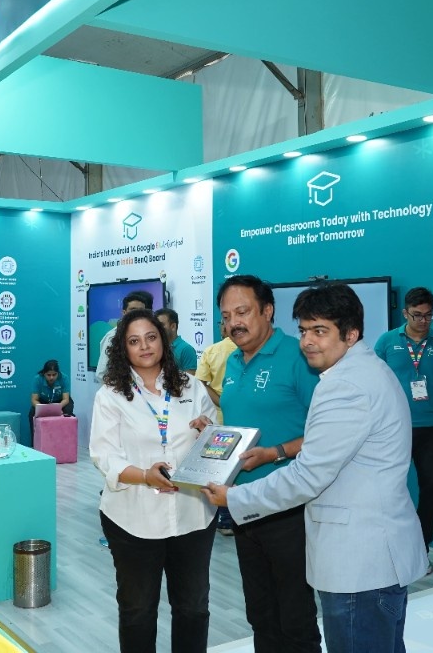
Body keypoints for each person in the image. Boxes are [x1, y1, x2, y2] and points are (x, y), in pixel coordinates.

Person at [204, 283, 427, 653]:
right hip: (371, 558)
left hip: (360, 564)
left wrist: (236, 498)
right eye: (304, 330)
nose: (307, 341)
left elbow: (308, 474)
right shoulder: (363, 371)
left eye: (320, 331)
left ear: (351, 334)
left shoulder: (346, 387)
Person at [90, 308, 218, 653]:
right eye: (134, 341)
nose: (144, 346)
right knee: (138, 611)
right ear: (123, 349)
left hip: (192, 516)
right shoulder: (111, 395)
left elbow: (213, 446)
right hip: (133, 519)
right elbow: (105, 456)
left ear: (163, 340)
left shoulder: (191, 387)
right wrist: (146, 476)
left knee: (193, 608)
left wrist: (209, 434)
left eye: (151, 337)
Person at [216, 274, 321, 653]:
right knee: (259, 612)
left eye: (242, 312)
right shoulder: (232, 361)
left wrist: (276, 452)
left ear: (268, 311)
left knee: (295, 615)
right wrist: (210, 437)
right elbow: (241, 425)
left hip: (288, 507)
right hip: (244, 505)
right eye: (226, 316)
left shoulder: (299, 356)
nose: (234, 323)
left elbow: (328, 434)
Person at [373, 286, 433, 574]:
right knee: (389, 489)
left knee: (431, 489)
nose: (423, 321)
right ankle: (388, 549)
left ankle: (420, 550)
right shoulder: (387, 341)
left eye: (428, 315)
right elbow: (374, 384)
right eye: (417, 315)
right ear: (405, 313)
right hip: (393, 429)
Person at [194, 322, 238, 535]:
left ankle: (225, 519)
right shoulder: (248, 350)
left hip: (218, 421)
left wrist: (221, 402)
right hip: (244, 419)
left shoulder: (212, 351)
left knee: (221, 471)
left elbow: (200, 383)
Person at [95, 289, 154, 382]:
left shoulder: (148, 334)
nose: (137, 314)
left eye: (141, 311)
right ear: (124, 312)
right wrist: (120, 388)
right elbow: (101, 373)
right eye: (133, 310)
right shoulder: (112, 337)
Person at [30, 359, 74, 440]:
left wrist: (57, 408)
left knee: (68, 409)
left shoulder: (64, 378)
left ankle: (65, 440)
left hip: (60, 401)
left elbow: (66, 399)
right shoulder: (38, 379)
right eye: (48, 375)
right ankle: (35, 441)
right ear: (44, 373)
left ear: (58, 373)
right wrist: (43, 408)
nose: (51, 377)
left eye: (54, 375)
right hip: (43, 402)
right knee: (32, 413)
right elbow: (34, 400)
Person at [155, 308, 199, 374]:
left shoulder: (186, 349)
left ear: (173, 326)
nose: (158, 328)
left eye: (161, 325)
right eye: (156, 325)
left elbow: (190, 378)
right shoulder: (157, 347)